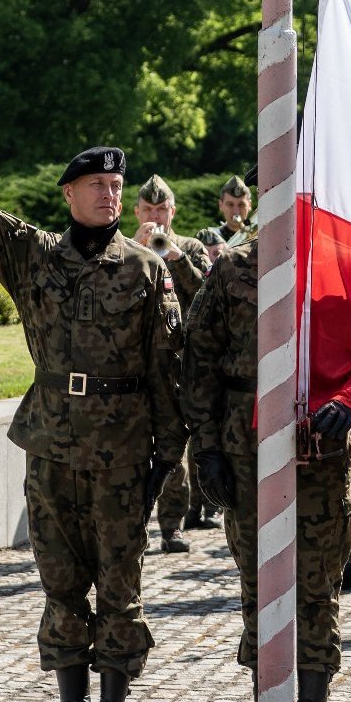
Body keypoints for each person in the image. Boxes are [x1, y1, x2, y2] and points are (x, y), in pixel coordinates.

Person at [0, 66, 185, 702]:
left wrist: (170, 454)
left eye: (117, 186)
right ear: (69, 192)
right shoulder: (35, 257)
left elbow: (167, 372)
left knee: (120, 587)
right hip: (52, 447)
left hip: (123, 451)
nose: (110, 195)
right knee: (61, 581)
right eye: (98, 185)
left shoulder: (146, 271)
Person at [182, 234, 351, 702]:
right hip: (245, 449)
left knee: (318, 583)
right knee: (258, 583)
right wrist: (207, 446)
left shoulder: (344, 258)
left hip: (322, 450)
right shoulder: (234, 266)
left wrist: (350, 406)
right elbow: (199, 357)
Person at [134, 175, 213, 552]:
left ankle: (172, 525)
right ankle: (134, 523)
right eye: (148, 210)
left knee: (174, 447)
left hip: (179, 365)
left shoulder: (192, 247)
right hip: (137, 365)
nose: (156, 216)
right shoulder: (123, 248)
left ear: (173, 211)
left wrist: (176, 258)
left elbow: (207, 293)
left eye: (161, 209)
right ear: (136, 212)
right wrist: (136, 248)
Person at [212, 174, 254, 242]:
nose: (236, 211)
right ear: (220, 205)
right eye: (230, 205)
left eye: (241, 205)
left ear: (249, 205)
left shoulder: (260, 235)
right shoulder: (210, 237)